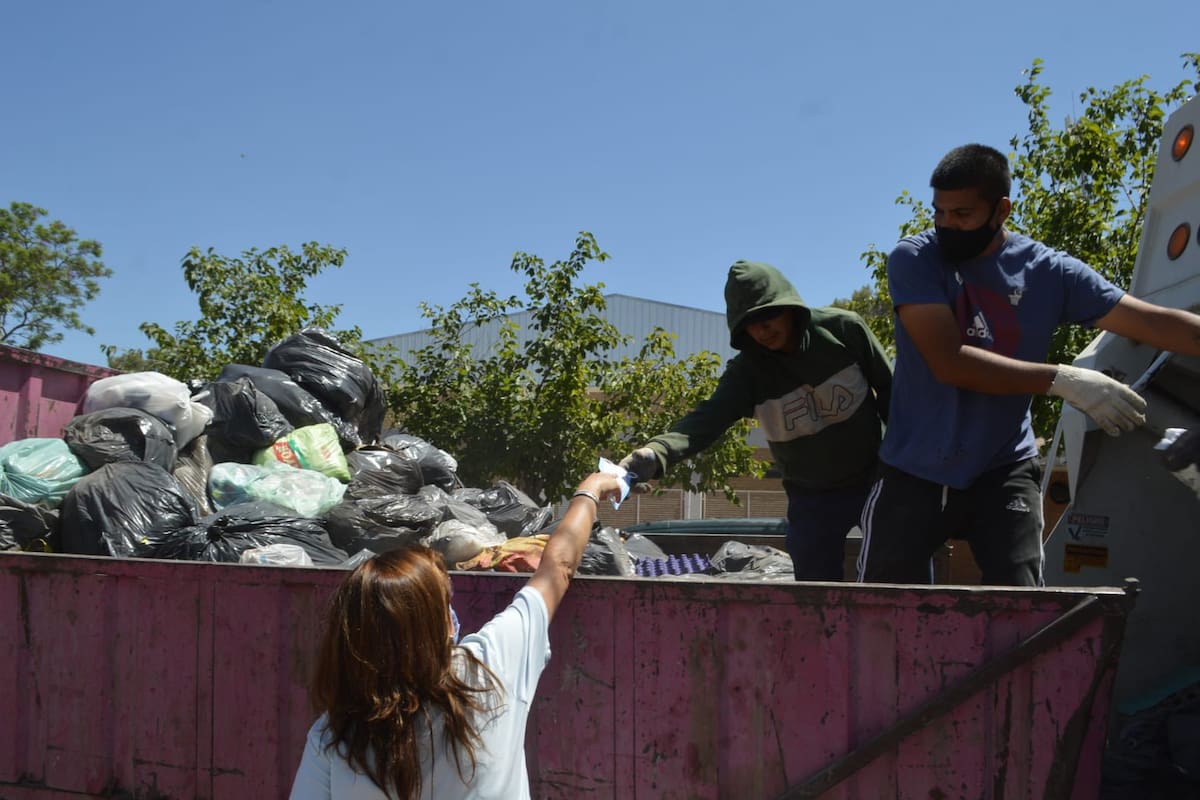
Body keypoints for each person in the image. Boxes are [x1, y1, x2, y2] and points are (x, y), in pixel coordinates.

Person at [857, 143, 1200, 586]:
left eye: (962, 214)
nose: (946, 225)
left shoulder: (1048, 272)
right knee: (877, 609)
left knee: (1026, 610)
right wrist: (1064, 380)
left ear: (1001, 210)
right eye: (939, 212)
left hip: (1003, 466)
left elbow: (1151, 322)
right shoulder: (915, 258)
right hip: (914, 466)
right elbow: (949, 362)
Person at [288, 471, 625, 800]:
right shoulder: (490, 668)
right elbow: (559, 566)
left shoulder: (335, 737)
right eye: (446, 603)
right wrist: (591, 489)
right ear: (440, 625)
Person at [619, 260, 893, 581]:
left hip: (874, 477)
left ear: (790, 309)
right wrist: (655, 454)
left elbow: (893, 392)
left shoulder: (844, 330)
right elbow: (705, 420)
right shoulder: (747, 374)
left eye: (769, 315)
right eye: (751, 323)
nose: (763, 329)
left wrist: (904, 462)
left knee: (899, 560)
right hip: (811, 495)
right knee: (814, 585)